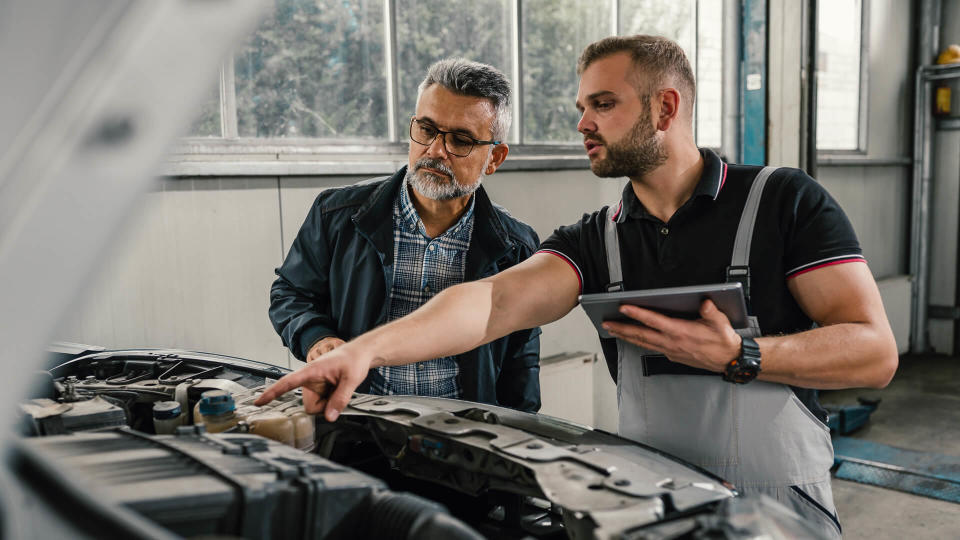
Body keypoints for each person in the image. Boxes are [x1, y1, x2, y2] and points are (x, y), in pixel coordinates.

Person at [258, 36, 898, 537]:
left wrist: (743, 354)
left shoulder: (782, 202)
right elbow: (491, 302)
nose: (583, 124)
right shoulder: (598, 238)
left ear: (665, 107)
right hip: (652, 504)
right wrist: (364, 350)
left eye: (602, 105)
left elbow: (875, 353)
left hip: (779, 506)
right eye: (580, 108)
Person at [267, 58, 542, 412]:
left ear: (494, 158)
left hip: (464, 434)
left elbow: (521, 360)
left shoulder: (516, 248)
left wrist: (519, 437)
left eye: (460, 140)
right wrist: (317, 338)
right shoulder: (335, 215)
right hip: (358, 420)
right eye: (426, 130)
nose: (435, 151)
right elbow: (290, 293)